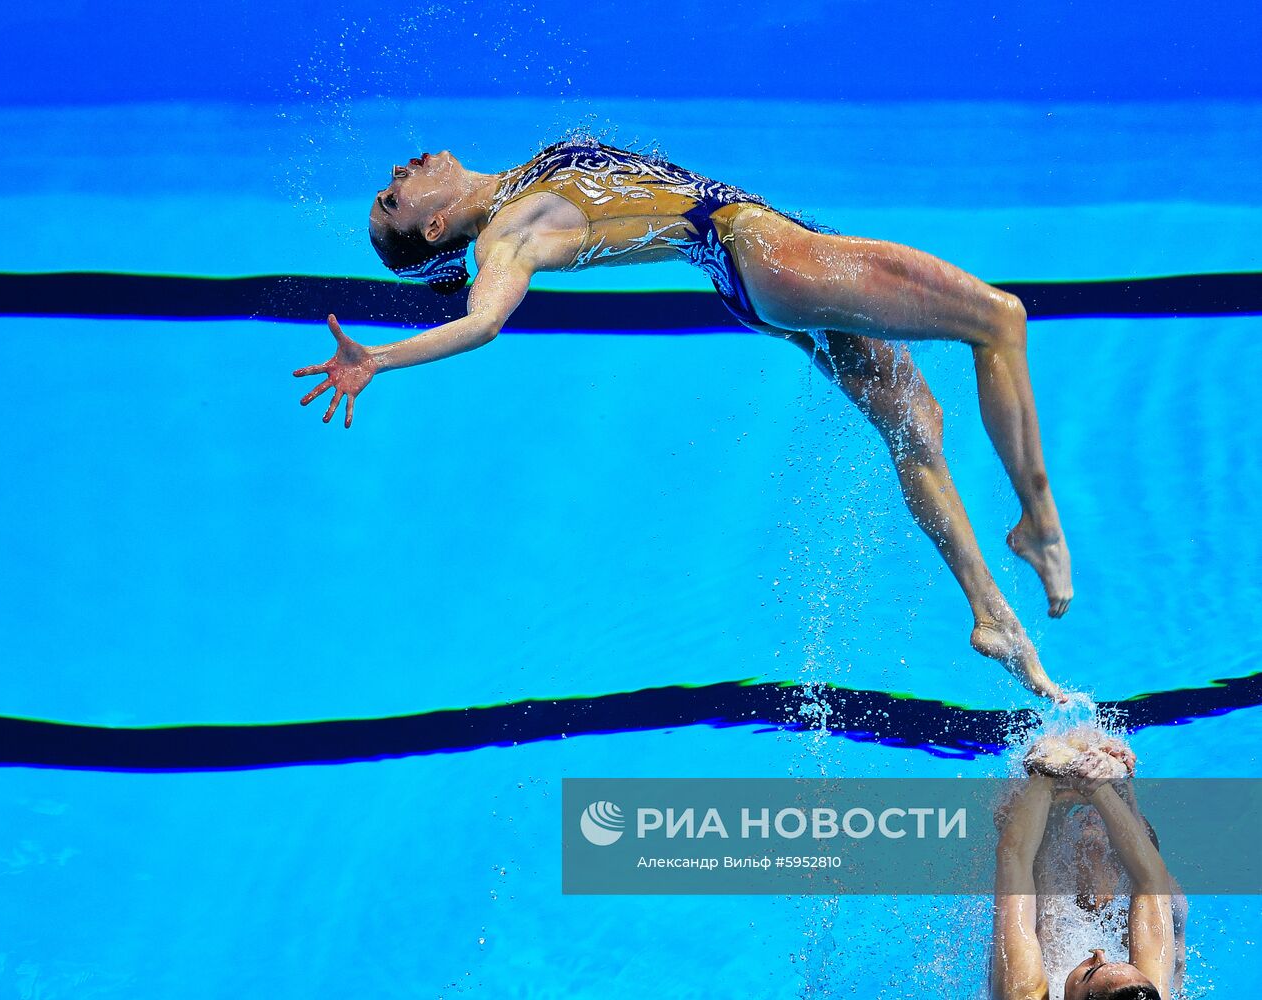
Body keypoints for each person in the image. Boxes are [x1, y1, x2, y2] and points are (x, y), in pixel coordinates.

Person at [293, 138, 1073, 699]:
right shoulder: (506, 237)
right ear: (434, 232)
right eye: (393, 199)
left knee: (914, 421)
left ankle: (989, 613)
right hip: (766, 256)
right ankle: (1037, 524)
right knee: (998, 320)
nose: (397, 173)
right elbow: (482, 321)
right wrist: (377, 361)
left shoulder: (514, 186)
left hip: (750, 270)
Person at [993, 734, 1182, 999]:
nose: (1099, 954)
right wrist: (1098, 785)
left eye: (1092, 972)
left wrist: (1044, 773)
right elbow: (1151, 881)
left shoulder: (1024, 995)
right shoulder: (1146, 992)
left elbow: (1013, 858)